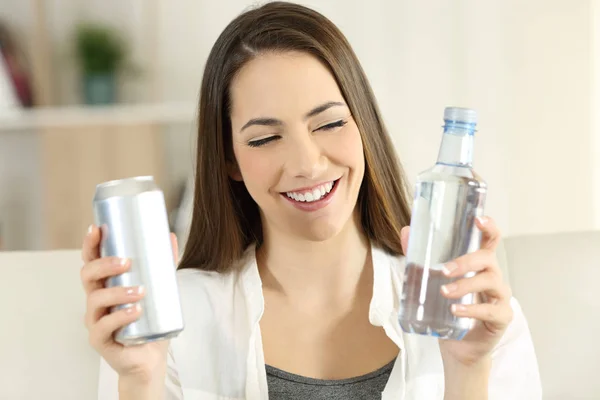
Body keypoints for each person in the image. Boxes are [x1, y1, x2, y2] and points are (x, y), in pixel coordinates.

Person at [80, 2, 542, 399]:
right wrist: (139, 382)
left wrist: (467, 369)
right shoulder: (170, 322)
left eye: (329, 124)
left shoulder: (473, 315)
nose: (306, 163)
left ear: (363, 127)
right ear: (230, 161)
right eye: (264, 138)